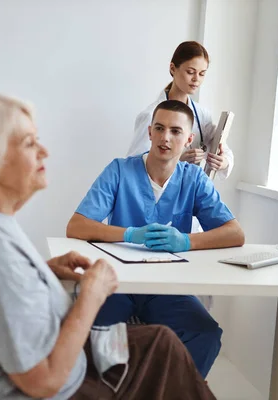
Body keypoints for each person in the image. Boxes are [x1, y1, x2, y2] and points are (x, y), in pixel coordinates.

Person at [0, 93, 217, 400]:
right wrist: (92, 293)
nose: (44, 151)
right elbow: (45, 382)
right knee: (165, 359)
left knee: (161, 343)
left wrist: (39, 272)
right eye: (29, 143)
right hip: (57, 387)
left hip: (56, 358)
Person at [67, 99, 245, 378]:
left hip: (166, 286)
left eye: (175, 131)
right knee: (95, 336)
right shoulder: (119, 170)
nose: (165, 137)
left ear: (188, 139)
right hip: (117, 283)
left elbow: (235, 233)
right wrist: (128, 234)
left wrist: (186, 241)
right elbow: (77, 226)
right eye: (159, 128)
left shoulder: (194, 180)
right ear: (149, 132)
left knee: (205, 335)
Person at [127, 41, 234, 180]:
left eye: (202, 74)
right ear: (173, 68)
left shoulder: (202, 115)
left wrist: (223, 162)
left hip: (190, 193)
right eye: (190, 72)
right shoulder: (151, 115)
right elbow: (133, 166)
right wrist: (176, 160)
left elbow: (224, 150)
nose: (196, 79)